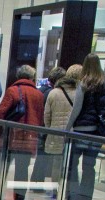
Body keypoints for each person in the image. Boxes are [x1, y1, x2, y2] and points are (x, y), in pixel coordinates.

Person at [63, 54, 105, 200]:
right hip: (98, 131)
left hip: (81, 131)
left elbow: (77, 108)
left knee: (72, 166)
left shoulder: (83, 83)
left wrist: (68, 128)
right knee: (89, 167)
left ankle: (71, 199)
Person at [0, 65, 46, 200]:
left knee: (2, 165)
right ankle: (19, 198)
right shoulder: (38, 94)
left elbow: (1, 113)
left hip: (10, 136)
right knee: (22, 168)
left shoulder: (12, 91)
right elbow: (40, 117)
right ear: (32, 77)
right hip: (28, 138)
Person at [36, 65, 77, 193]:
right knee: (71, 164)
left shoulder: (53, 93)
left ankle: (55, 191)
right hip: (73, 133)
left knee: (57, 163)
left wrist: (50, 130)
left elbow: (46, 116)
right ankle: (69, 192)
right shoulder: (79, 93)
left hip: (55, 132)